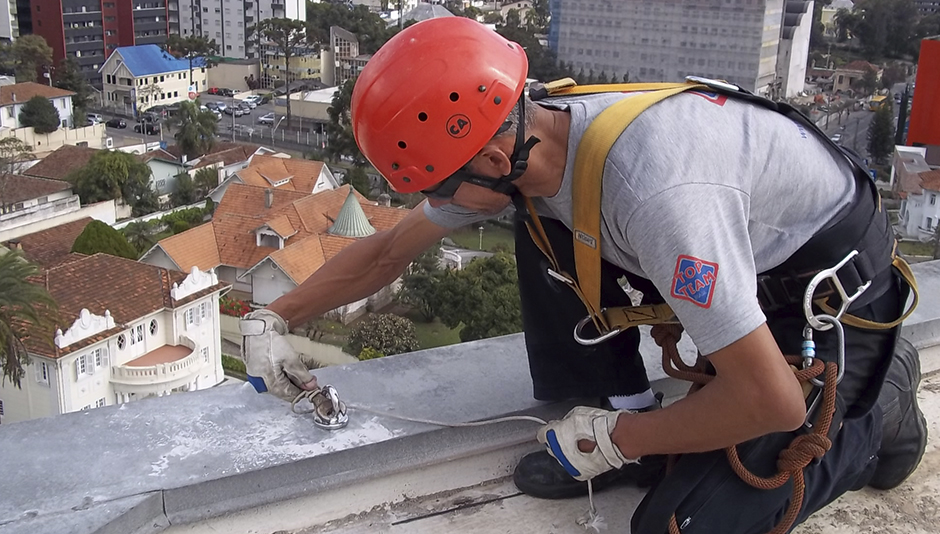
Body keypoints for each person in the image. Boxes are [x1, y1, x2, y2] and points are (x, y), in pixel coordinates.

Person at [239, 18, 927, 533]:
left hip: (825, 303)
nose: (440, 206)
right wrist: (275, 318)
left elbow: (771, 402)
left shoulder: (656, 198)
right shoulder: (532, 145)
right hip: (744, 260)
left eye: (443, 187)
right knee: (545, 229)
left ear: (491, 154)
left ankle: (883, 411)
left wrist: (609, 442)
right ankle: (618, 407)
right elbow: (390, 252)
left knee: (679, 524)